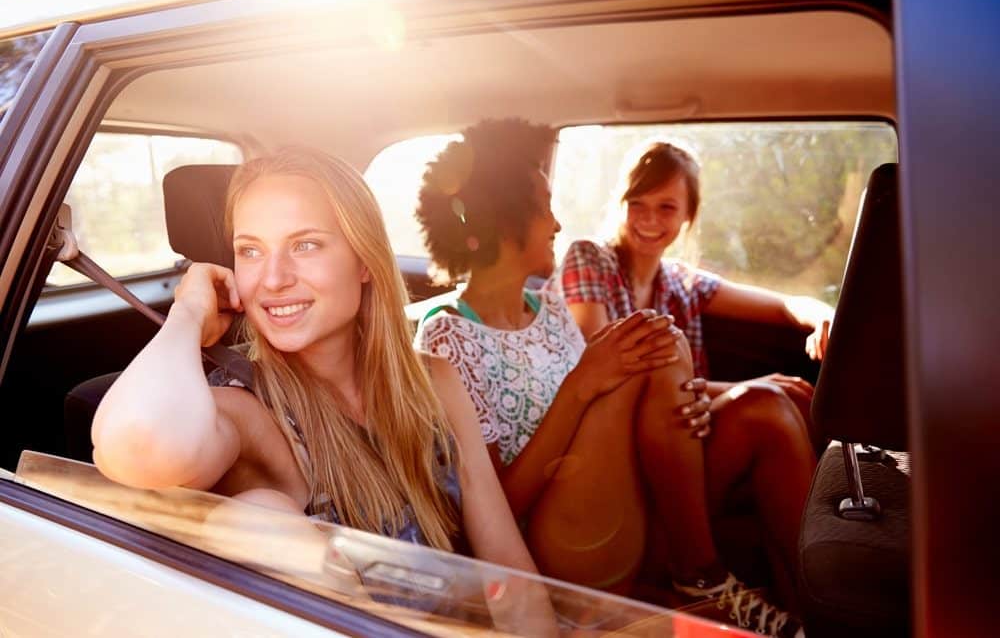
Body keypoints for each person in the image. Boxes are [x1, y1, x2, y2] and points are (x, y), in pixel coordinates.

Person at [414, 119, 807, 637]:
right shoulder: (447, 339)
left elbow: (606, 416)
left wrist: (681, 402)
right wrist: (581, 387)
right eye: (544, 207)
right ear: (503, 221)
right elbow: (495, 510)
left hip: (612, 505)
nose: (557, 223)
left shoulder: (552, 312)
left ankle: (817, 607)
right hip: (545, 544)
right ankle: (700, 574)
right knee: (656, 345)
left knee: (763, 406)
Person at [91, 147, 543, 587]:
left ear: (364, 260)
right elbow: (137, 444)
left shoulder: (433, 381)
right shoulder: (249, 412)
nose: (273, 279)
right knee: (258, 514)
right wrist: (187, 313)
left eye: (304, 245)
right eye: (250, 251)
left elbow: (509, 571)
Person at [550, 139, 826, 606]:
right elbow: (607, 374)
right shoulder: (588, 259)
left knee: (788, 400)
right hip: (614, 463)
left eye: (666, 207)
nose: (649, 220)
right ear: (620, 204)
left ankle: (807, 601)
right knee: (764, 403)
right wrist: (740, 387)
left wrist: (824, 316)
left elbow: (782, 304)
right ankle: (719, 576)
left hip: (679, 452)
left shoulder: (681, 282)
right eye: (637, 204)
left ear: (687, 216)